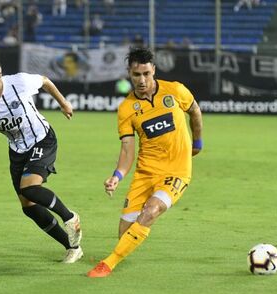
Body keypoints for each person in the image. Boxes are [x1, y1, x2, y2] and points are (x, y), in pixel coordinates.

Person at [87, 47, 203, 278]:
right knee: (126, 234)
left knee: (151, 211)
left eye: (146, 74)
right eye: (136, 75)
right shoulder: (126, 109)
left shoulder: (175, 90)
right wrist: (117, 176)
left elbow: (195, 112)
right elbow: (128, 149)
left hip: (177, 170)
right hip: (145, 172)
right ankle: (119, 252)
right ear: (129, 74)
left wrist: (198, 142)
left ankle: (107, 264)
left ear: (154, 71)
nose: (141, 80)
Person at [0, 53, 83, 263]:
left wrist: (63, 103)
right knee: (28, 207)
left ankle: (70, 218)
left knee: (29, 187)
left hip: (42, 139)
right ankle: (72, 247)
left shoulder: (18, 82)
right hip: (17, 150)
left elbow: (45, 81)